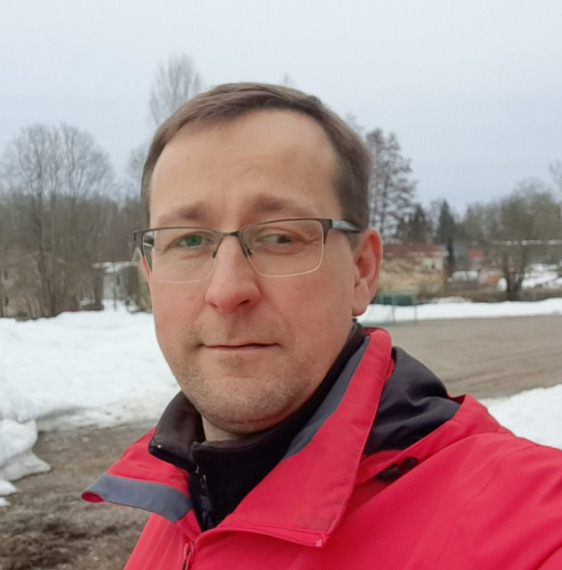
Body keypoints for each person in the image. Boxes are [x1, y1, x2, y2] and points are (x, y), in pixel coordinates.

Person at [83, 83, 562, 569]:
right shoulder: (180, 499)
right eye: (187, 240)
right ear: (150, 275)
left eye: (279, 237)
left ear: (361, 271)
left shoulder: (523, 524)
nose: (226, 290)